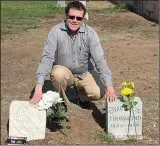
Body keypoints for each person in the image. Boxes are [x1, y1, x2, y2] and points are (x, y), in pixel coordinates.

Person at [30, 1, 117, 108]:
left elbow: (100, 60)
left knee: (99, 92)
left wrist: (110, 87)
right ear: (66, 16)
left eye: (79, 18)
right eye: (71, 17)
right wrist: (38, 88)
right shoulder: (55, 32)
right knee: (57, 73)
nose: (75, 20)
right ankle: (61, 102)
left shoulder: (90, 34)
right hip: (64, 72)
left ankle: (81, 97)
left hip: (84, 72)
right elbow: (47, 58)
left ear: (83, 19)